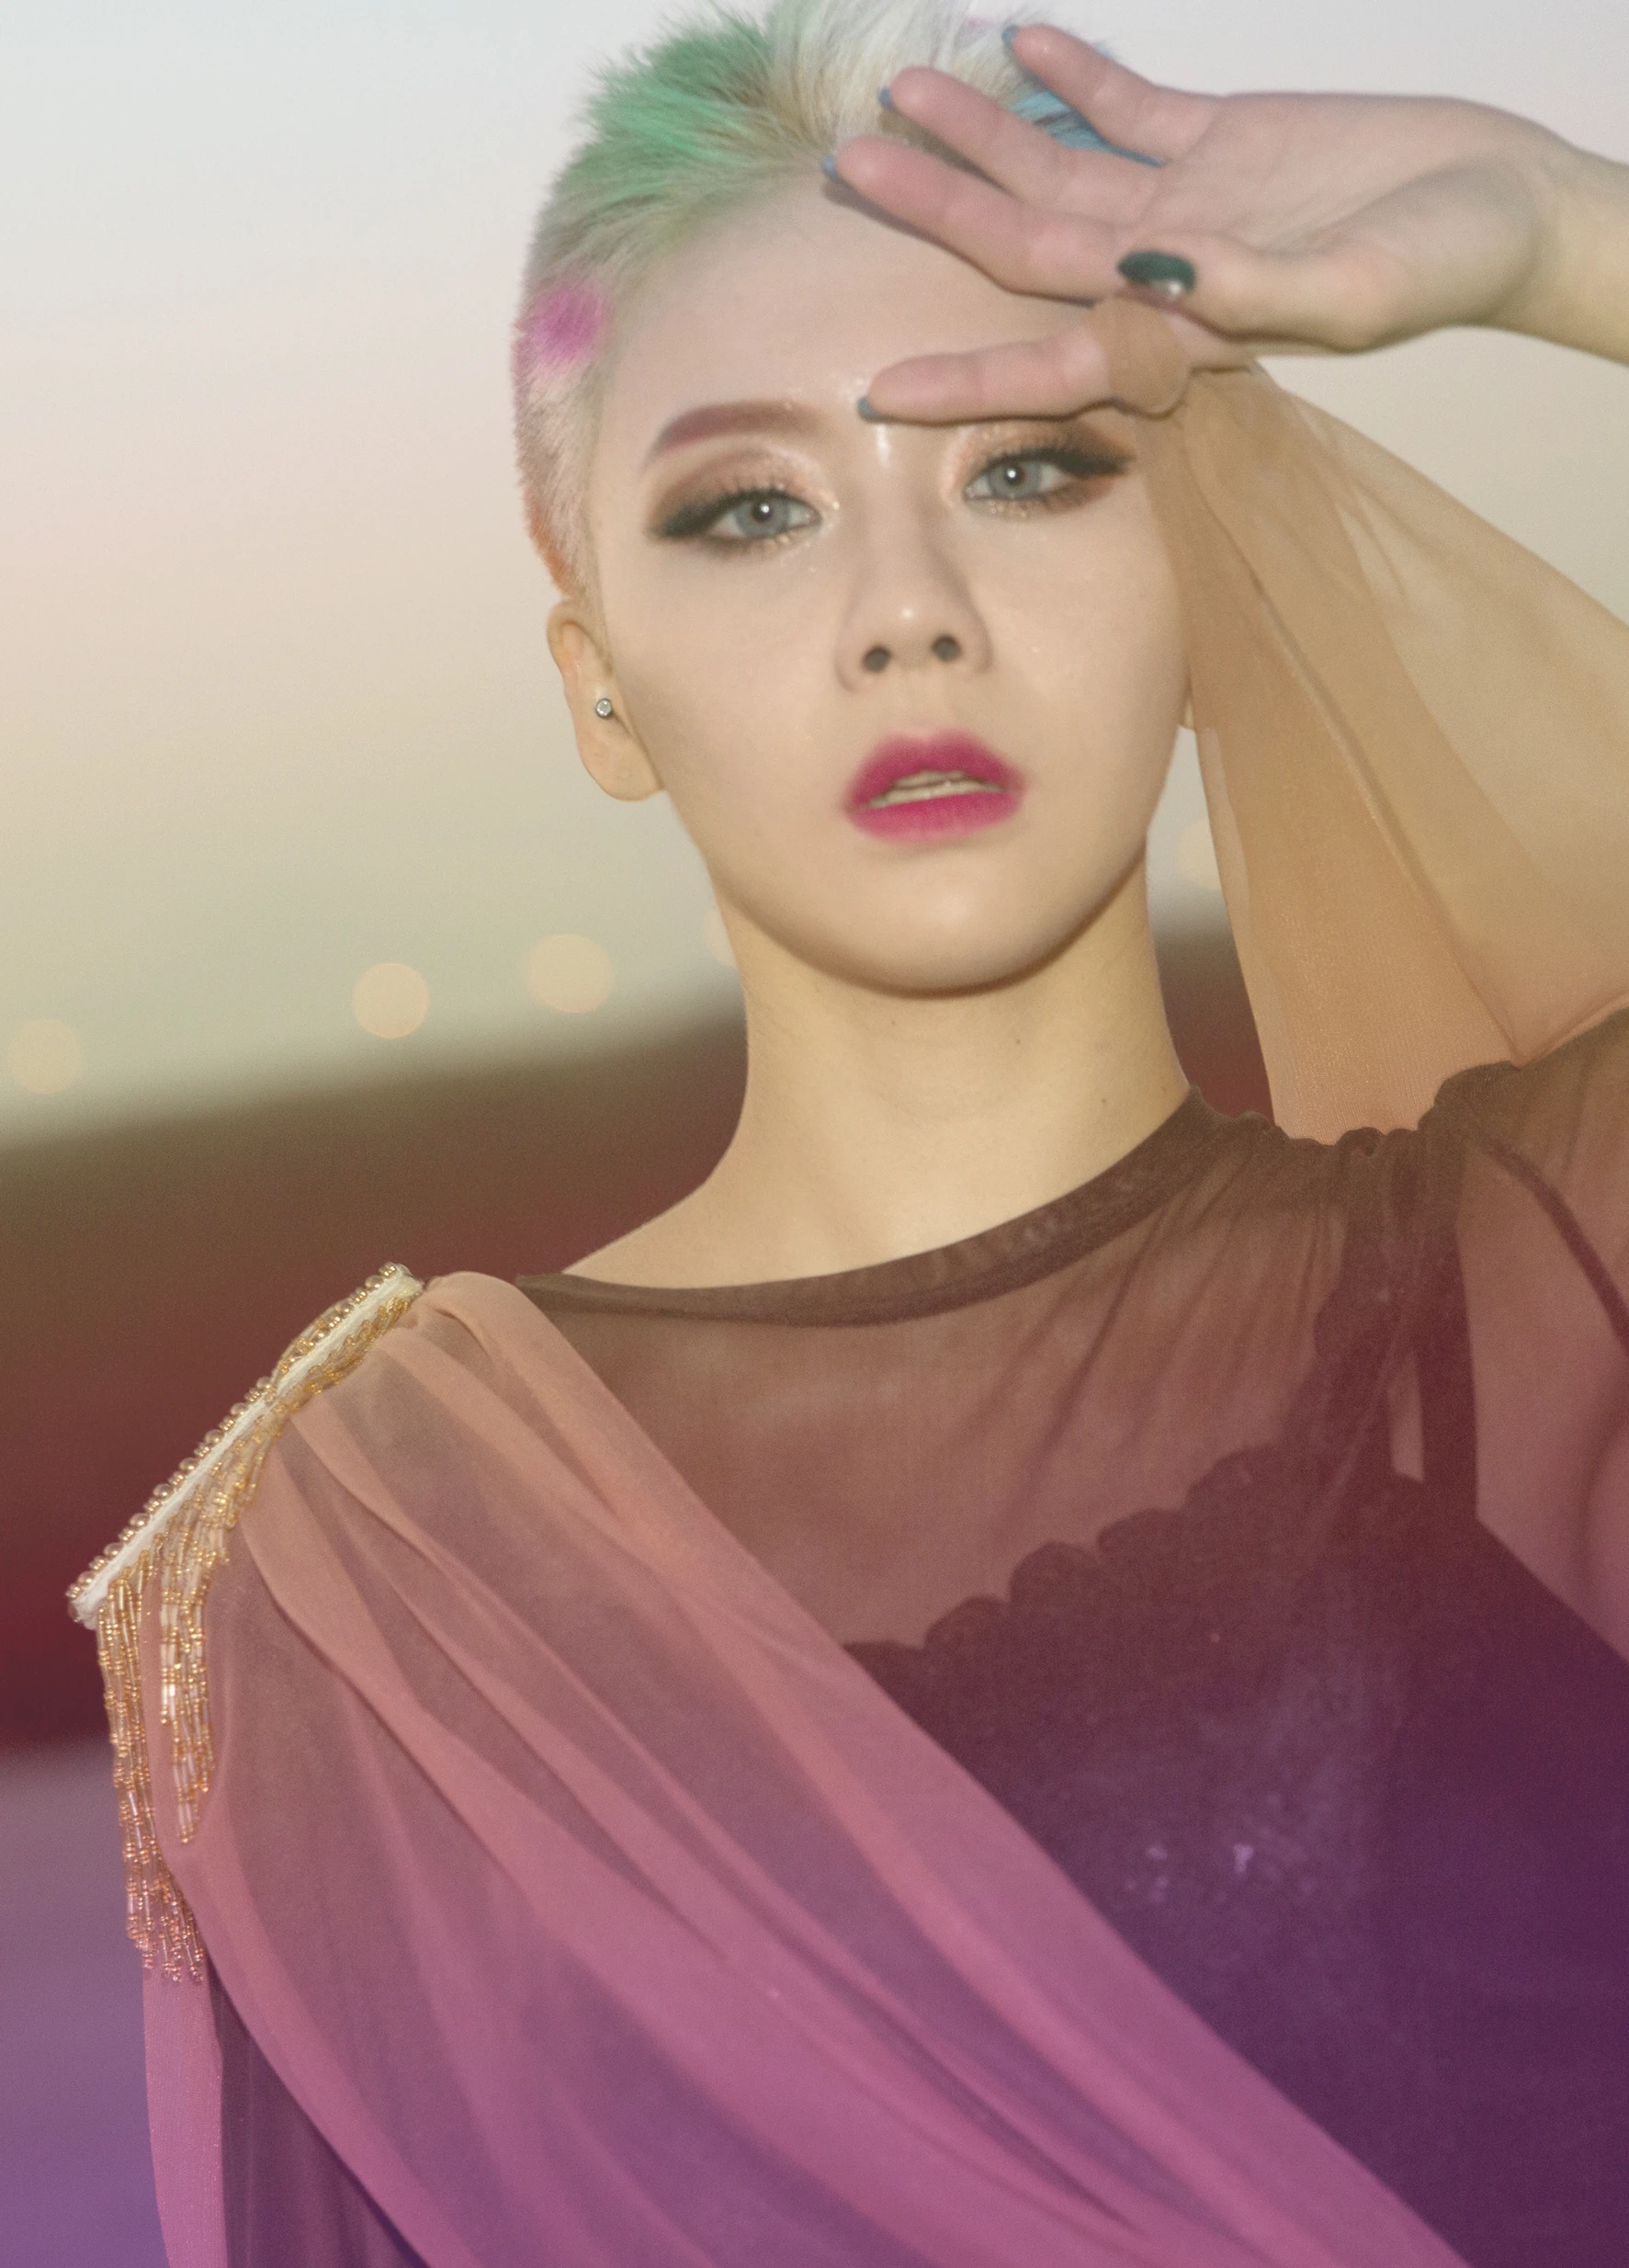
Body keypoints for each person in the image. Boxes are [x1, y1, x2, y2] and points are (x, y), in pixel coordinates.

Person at [70, 4, 1629, 2263]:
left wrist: (1557, 230)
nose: (909, 614)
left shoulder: (1543, 1279)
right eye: (752, 511)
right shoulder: (366, 1573)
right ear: (601, 691)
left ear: (1214, 561)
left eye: (1029, 470)